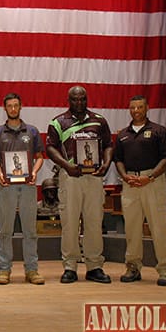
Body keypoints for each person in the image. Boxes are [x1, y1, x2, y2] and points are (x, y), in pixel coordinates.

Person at [46, 85, 113, 284]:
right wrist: (66, 165)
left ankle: (94, 266)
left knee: (93, 222)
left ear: (87, 99)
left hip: (94, 178)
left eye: (83, 99)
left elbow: (109, 145)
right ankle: (70, 266)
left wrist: (107, 164)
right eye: (75, 99)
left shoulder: (99, 120)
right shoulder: (58, 122)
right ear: (69, 100)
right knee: (70, 223)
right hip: (71, 177)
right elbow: (50, 147)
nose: (79, 103)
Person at [114, 95, 166, 286]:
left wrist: (149, 177)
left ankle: (165, 270)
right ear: (129, 109)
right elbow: (118, 160)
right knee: (132, 228)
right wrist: (125, 176)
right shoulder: (123, 134)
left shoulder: (158, 131)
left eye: (140, 107)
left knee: (158, 228)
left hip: (152, 181)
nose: (136, 111)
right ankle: (133, 267)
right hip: (130, 182)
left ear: (147, 108)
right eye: (133, 108)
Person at [0, 93, 45, 285]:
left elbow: (39, 157)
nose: (13, 109)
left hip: (28, 186)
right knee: (5, 230)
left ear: (21, 107)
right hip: (6, 187)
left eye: (16, 105)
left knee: (30, 230)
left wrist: (35, 172)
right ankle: (4, 270)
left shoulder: (32, 131)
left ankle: (32, 270)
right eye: (9, 106)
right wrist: (0, 174)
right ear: (4, 108)